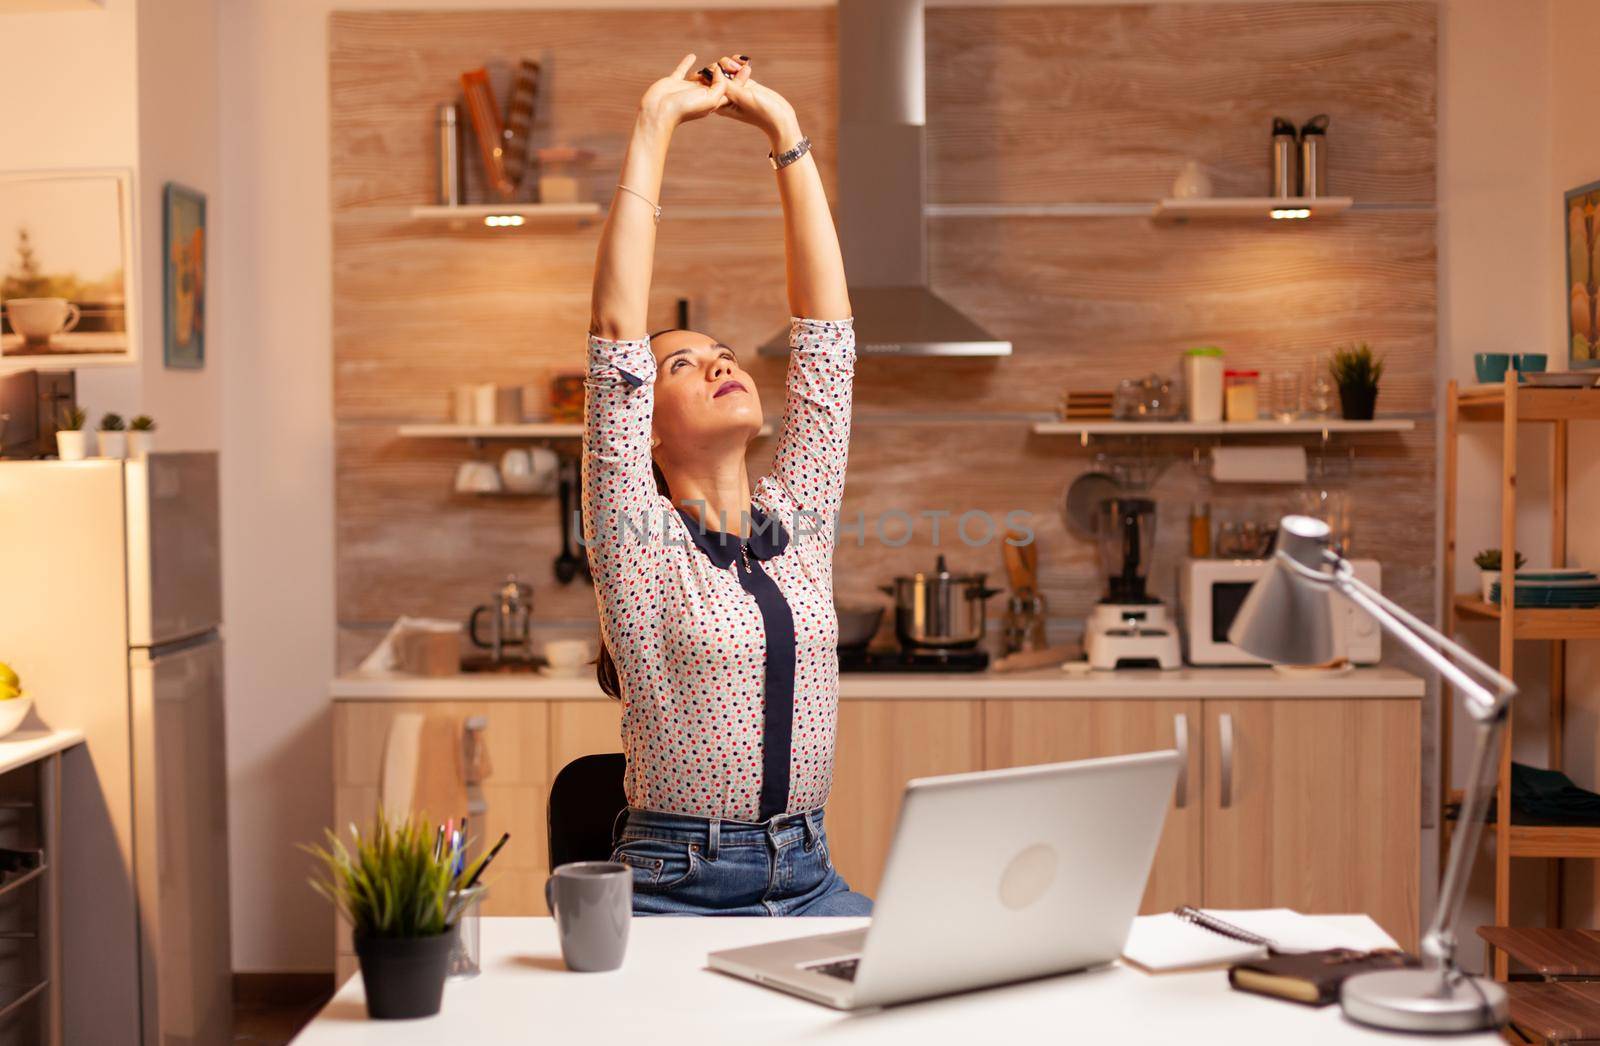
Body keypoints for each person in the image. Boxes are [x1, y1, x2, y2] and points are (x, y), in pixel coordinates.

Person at [582, 52, 869, 916]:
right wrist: (655, 123)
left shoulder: (797, 526)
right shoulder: (639, 542)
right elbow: (613, 330)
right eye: (681, 365)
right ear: (644, 423)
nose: (716, 364)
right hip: (679, 883)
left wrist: (785, 134)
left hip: (811, 874)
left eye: (724, 356)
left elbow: (828, 338)